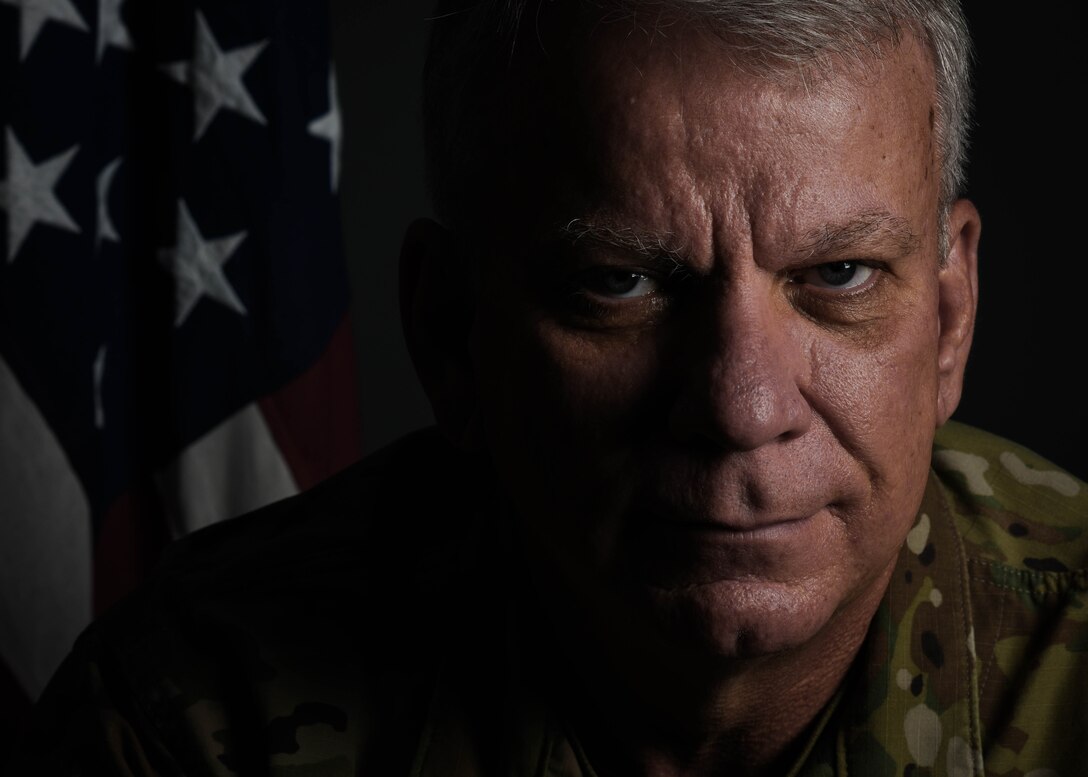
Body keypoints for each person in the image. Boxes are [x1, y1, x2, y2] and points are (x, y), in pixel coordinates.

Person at [10, 0, 1088, 775]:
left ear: (948, 319)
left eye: (837, 275)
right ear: (447, 333)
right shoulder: (191, 717)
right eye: (617, 283)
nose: (740, 407)